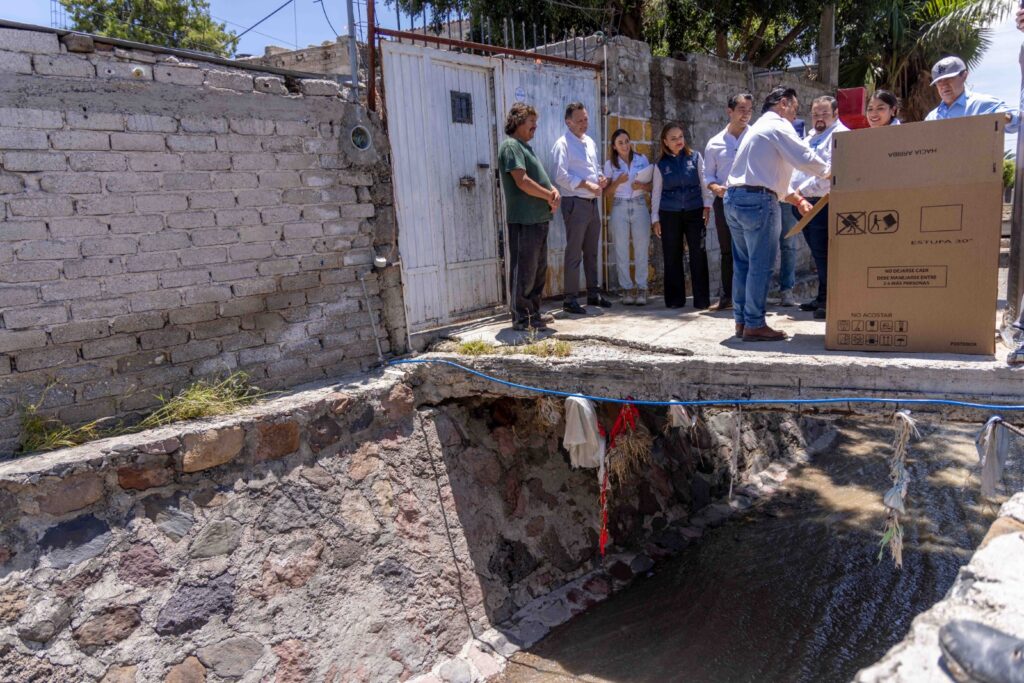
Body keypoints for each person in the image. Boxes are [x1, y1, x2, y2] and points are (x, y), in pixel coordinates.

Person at [724, 87, 830, 342]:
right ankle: (754, 324)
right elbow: (804, 158)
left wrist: (796, 198)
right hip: (758, 201)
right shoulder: (778, 125)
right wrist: (835, 171)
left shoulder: (758, 129)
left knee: (743, 265)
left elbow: (772, 175)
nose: (795, 115)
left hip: (735, 198)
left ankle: (742, 321)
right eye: (794, 107)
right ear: (783, 103)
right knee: (760, 265)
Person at [497, 103, 560, 332]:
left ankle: (533, 313)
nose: (535, 126)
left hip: (538, 219)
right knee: (524, 270)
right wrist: (548, 195)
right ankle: (521, 317)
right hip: (524, 220)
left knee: (537, 270)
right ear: (518, 122)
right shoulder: (511, 146)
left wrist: (553, 192)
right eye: (531, 121)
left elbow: (538, 178)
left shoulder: (526, 147)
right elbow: (522, 181)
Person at [790, 95, 847, 319]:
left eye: (824, 113)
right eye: (815, 114)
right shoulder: (810, 136)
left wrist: (801, 190)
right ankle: (822, 297)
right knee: (817, 253)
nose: (819, 118)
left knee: (824, 254)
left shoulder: (841, 135)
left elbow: (831, 172)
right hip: (803, 201)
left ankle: (830, 301)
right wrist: (794, 192)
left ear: (836, 114)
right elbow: (797, 167)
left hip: (822, 202)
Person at [551, 102, 610, 315]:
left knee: (592, 251)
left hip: (592, 203)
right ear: (569, 122)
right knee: (574, 251)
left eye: (586, 119)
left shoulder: (590, 142)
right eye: (580, 120)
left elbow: (595, 168)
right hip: (575, 202)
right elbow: (560, 175)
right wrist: (587, 184)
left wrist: (601, 177)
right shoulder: (563, 144)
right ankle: (570, 298)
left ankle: (593, 293)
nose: (584, 123)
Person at [651, 122, 713, 310]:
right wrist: (655, 218)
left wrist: (707, 205)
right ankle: (675, 300)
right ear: (665, 142)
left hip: (695, 211)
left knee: (698, 254)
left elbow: (704, 183)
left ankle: (702, 300)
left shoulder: (695, 157)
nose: (679, 141)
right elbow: (656, 192)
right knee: (672, 255)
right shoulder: (661, 165)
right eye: (673, 138)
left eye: (680, 137)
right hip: (669, 214)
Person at [704, 93, 754, 311]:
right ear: (730, 111)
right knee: (727, 250)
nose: (745, 114)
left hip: (752, 200)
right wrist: (716, 189)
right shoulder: (714, 143)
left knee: (750, 250)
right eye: (741, 109)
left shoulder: (756, 138)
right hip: (724, 202)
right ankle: (727, 297)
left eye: (749, 110)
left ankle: (750, 298)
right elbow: (708, 177)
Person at [604, 129, 653, 305]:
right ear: (615, 147)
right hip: (619, 205)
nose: (625, 145)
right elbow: (606, 193)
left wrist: (642, 185)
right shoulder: (610, 164)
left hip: (640, 204)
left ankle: (642, 288)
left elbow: (651, 186)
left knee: (641, 248)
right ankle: (626, 289)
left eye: (626, 141)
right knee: (621, 249)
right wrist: (618, 182)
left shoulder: (642, 160)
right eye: (620, 143)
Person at [925, 55, 1020, 134]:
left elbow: (1016, 121)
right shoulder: (931, 117)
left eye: (949, 78)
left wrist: (1006, 118)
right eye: (939, 81)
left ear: (964, 76)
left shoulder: (982, 104)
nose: (944, 85)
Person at [776, 116, 805, 308]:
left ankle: (786, 290)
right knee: (763, 246)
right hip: (769, 196)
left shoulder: (800, 140)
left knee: (788, 244)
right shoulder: (772, 136)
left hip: (789, 199)